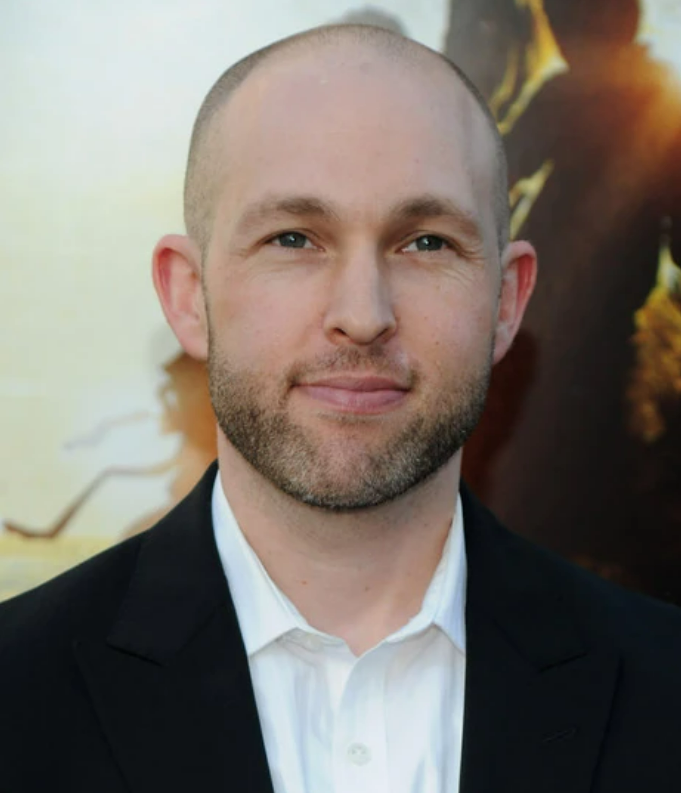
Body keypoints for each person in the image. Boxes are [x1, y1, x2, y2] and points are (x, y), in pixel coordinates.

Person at [1, 23, 681, 793]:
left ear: (505, 301)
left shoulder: (664, 687)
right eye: (294, 238)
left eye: (424, 243)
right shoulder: (15, 694)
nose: (362, 313)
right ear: (188, 297)